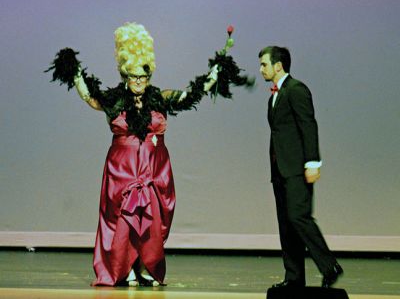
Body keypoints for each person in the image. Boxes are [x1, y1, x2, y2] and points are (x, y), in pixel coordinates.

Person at [46, 22, 253, 287]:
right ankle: (124, 268)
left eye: (143, 77)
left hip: (155, 168)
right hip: (122, 169)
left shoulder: (160, 97)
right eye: (134, 77)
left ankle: (145, 266)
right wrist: (75, 73)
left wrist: (214, 73)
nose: (139, 82)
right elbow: (90, 97)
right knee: (123, 219)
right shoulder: (115, 100)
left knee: (153, 219)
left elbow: (191, 95)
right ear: (125, 76)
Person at [258, 46, 343, 288]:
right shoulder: (274, 95)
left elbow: (308, 125)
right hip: (280, 170)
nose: (261, 69)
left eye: (264, 64)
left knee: (299, 217)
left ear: (278, 66)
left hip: (296, 168)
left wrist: (313, 162)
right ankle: (294, 278)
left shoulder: (296, 90)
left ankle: (330, 266)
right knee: (286, 224)